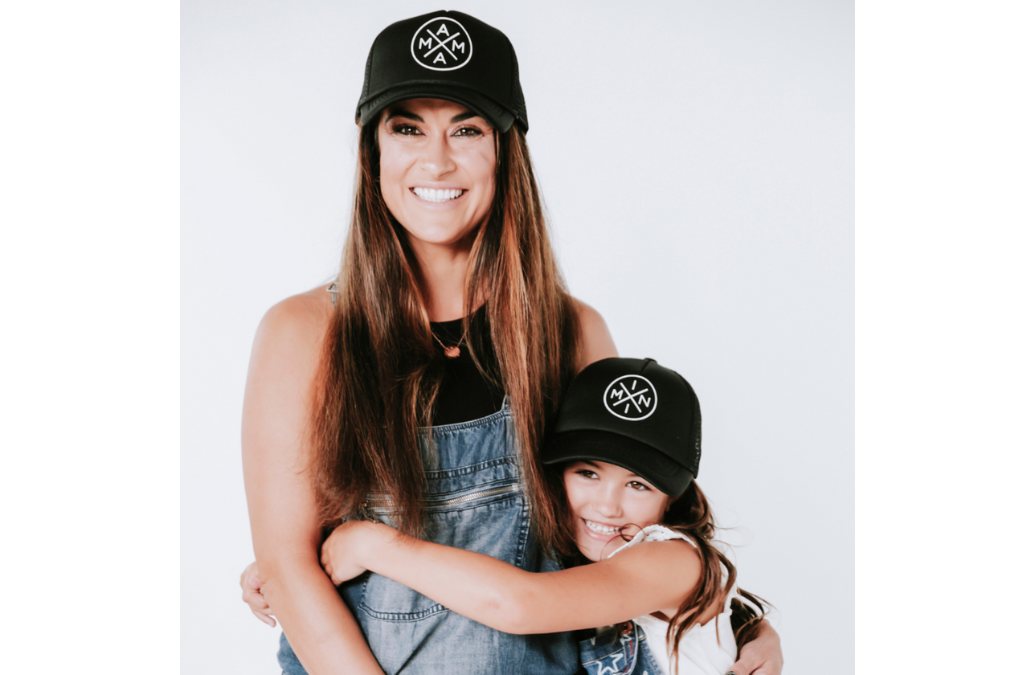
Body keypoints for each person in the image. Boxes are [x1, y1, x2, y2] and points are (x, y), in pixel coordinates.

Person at [240, 10, 784, 675]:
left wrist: (740, 621)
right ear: (371, 146)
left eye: (466, 129)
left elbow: (620, 533)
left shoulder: (570, 332)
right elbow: (291, 571)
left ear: (506, 149)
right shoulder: (303, 333)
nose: (436, 159)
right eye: (406, 127)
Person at [315, 358, 770, 675]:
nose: (607, 506)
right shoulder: (588, 559)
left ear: (671, 499)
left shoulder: (674, 561)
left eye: (638, 485)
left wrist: (371, 546)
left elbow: (516, 604)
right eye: (588, 472)